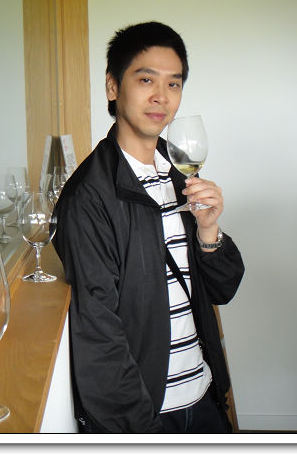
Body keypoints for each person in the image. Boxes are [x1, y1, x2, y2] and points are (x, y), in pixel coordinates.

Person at [52, 22, 245, 433]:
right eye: (146, 80)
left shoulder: (178, 172)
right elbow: (98, 334)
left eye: (173, 83)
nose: (162, 96)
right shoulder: (88, 197)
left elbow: (222, 290)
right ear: (112, 86)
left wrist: (209, 233)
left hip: (204, 394)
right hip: (149, 415)